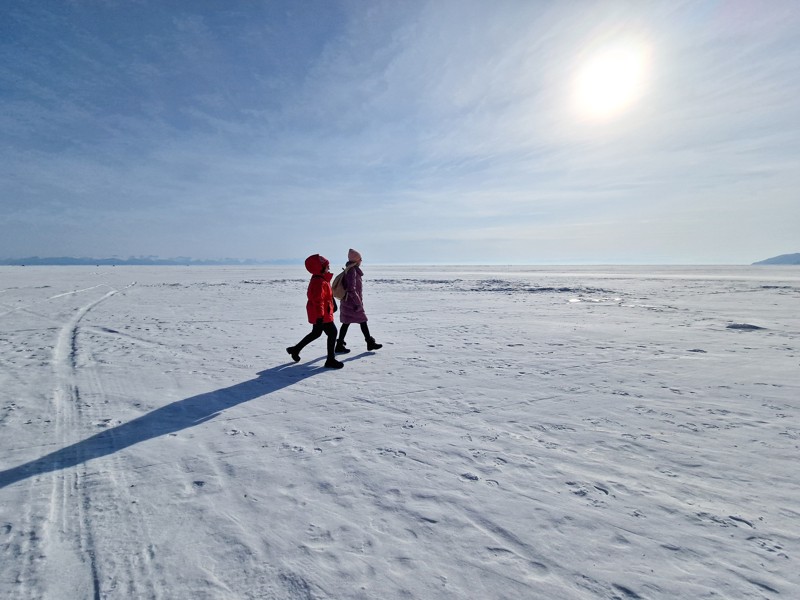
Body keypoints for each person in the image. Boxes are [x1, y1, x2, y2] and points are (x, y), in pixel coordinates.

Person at [286, 254, 344, 369]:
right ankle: (330, 360)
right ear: (320, 268)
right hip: (322, 314)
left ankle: (295, 349)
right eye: (327, 266)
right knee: (332, 332)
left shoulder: (322, 279)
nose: (329, 268)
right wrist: (320, 316)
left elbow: (327, 296)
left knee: (316, 333)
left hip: (323, 313)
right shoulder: (318, 281)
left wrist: (333, 304)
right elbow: (318, 301)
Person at [335, 248, 382, 354]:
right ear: (356, 260)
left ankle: (339, 345)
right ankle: (369, 343)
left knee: (348, 323)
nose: (361, 261)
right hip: (352, 303)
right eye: (360, 259)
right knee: (362, 321)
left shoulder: (351, 269)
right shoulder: (352, 271)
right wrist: (358, 303)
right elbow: (352, 289)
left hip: (348, 302)